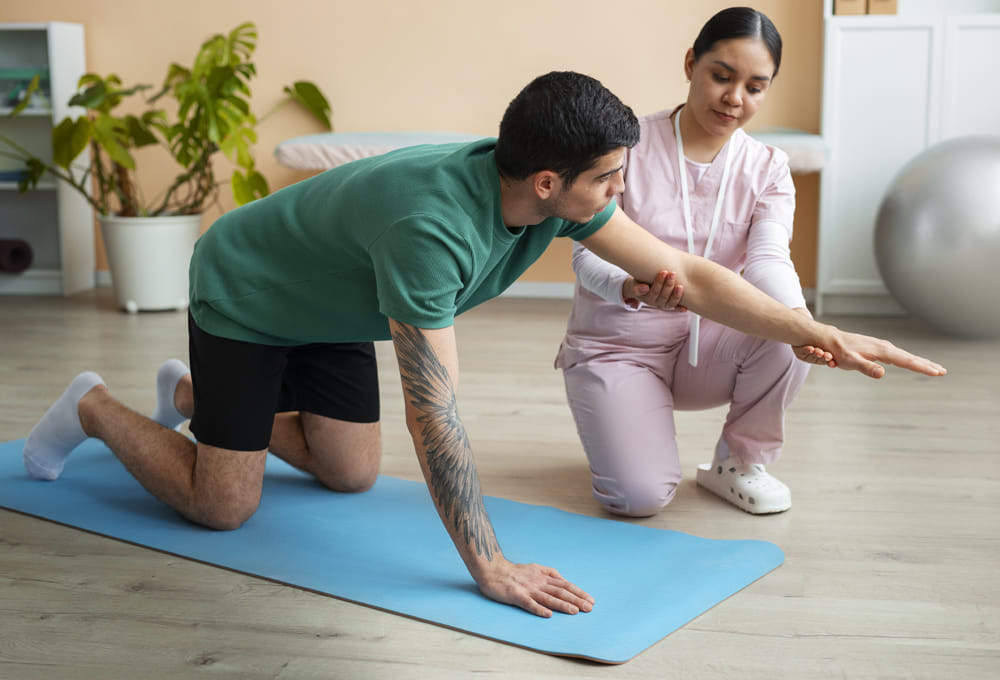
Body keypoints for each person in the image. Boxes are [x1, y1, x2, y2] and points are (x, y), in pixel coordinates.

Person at [22, 70, 945, 619]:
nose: (619, 194)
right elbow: (438, 413)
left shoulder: (550, 201)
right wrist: (489, 568)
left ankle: (197, 398)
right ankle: (98, 406)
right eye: (609, 179)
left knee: (345, 473)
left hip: (336, 303)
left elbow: (691, 274)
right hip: (253, 292)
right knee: (225, 507)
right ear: (549, 179)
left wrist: (816, 332)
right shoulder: (436, 232)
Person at [556, 7, 845, 518]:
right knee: (637, 498)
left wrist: (802, 323)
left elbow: (768, 260)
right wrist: (630, 288)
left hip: (712, 346)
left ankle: (739, 463)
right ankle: (626, 430)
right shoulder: (625, 147)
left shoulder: (769, 168)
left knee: (789, 330)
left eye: (755, 87)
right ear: (691, 63)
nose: (735, 98)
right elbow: (585, 257)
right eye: (722, 76)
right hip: (621, 345)